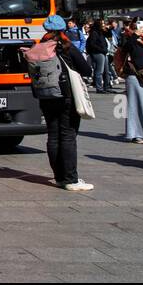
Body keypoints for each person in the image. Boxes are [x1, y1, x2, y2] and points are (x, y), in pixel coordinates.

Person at [24, 14, 94, 191]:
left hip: (46, 97)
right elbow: (86, 70)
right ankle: (71, 179)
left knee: (53, 135)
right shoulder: (66, 47)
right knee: (68, 135)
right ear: (62, 29)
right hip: (66, 96)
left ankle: (59, 177)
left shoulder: (38, 47)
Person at [85, 19, 112, 93]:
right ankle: (99, 88)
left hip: (103, 53)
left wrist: (108, 29)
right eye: (102, 23)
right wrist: (102, 50)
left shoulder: (101, 32)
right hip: (98, 53)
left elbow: (109, 35)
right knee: (99, 71)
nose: (103, 25)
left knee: (106, 71)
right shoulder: (94, 33)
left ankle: (106, 87)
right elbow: (92, 44)